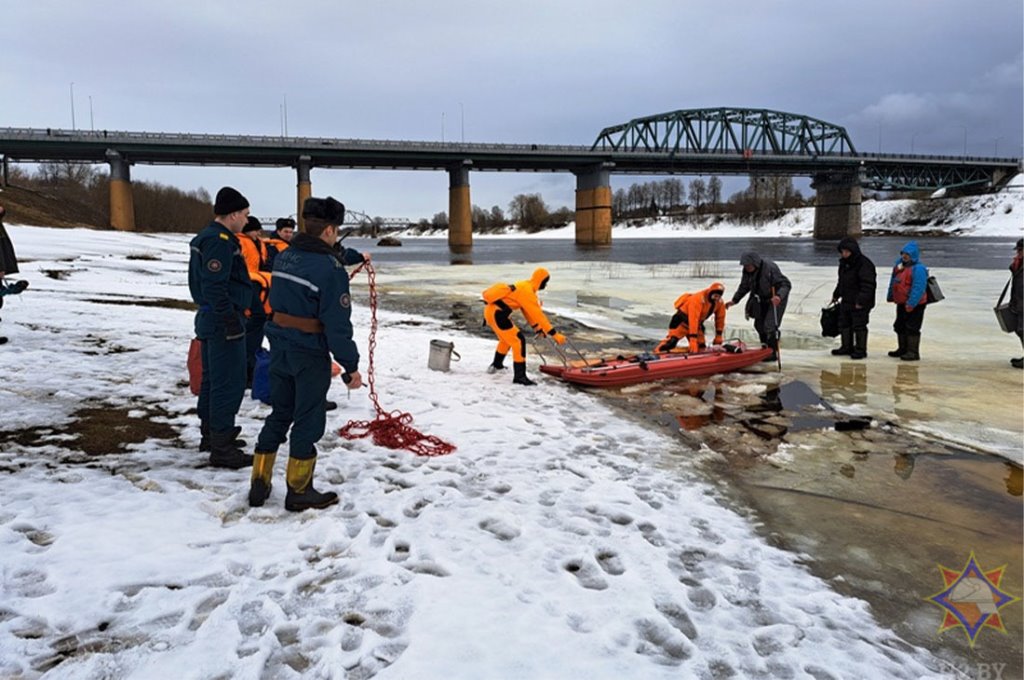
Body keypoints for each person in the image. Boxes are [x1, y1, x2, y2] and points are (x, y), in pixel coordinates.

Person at [249, 196, 369, 512]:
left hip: (279, 347)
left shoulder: (286, 256)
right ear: (330, 230)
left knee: (280, 411)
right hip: (308, 352)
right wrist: (352, 366)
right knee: (308, 418)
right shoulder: (331, 270)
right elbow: (337, 325)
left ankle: (258, 483)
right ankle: (299, 491)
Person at [188, 187, 254, 469]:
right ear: (234, 214)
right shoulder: (219, 241)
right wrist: (230, 320)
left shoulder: (208, 237)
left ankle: (212, 434)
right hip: (221, 320)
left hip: (211, 318)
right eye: (246, 215)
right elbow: (214, 285)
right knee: (228, 382)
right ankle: (222, 446)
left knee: (213, 380)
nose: (247, 221)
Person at [482, 267, 566, 386]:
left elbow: (528, 312)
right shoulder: (527, 292)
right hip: (498, 314)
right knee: (518, 341)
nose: (545, 286)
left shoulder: (525, 286)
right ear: (540, 281)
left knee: (506, 340)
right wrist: (554, 334)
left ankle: (496, 365)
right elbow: (538, 315)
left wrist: (537, 328)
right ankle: (520, 377)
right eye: (545, 283)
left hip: (492, 312)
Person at [725, 252, 791, 362]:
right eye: (745, 266)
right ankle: (765, 348)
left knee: (770, 326)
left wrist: (779, 296)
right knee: (759, 325)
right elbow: (744, 286)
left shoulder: (770, 268)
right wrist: (735, 300)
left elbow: (786, 284)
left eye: (748, 265)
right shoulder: (747, 271)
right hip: (760, 298)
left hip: (776, 298)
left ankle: (773, 352)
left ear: (755, 263)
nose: (746, 268)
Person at [239, 216, 273, 387]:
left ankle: (251, 371)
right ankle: (246, 375)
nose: (259, 233)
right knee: (248, 338)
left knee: (255, 336)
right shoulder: (239, 243)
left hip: (260, 293)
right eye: (255, 230)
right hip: (248, 292)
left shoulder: (260, 244)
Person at [829, 237, 877, 359]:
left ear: (853, 251)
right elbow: (842, 282)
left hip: (860, 302)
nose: (844, 254)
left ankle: (860, 350)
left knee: (859, 325)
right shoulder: (844, 264)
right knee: (844, 324)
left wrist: (861, 301)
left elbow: (868, 285)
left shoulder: (864, 264)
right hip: (846, 300)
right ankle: (846, 347)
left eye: (846, 251)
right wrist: (836, 294)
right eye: (842, 251)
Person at [885, 241, 928, 362]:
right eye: (903, 253)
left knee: (912, 327)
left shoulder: (918, 269)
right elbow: (893, 282)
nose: (904, 256)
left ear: (913, 255)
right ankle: (902, 349)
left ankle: (913, 352)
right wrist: (891, 296)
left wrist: (911, 303)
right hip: (901, 302)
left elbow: (918, 288)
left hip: (915, 305)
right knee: (900, 326)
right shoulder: (899, 267)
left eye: (907, 254)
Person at [654, 282, 726, 353]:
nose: (717, 298)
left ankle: (695, 360)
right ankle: (657, 354)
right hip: (681, 322)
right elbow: (693, 318)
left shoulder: (719, 302)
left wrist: (718, 335)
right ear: (710, 293)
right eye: (715, 296)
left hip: (697, 325)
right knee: (670, 343)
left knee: (701, 347)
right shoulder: (697, 299)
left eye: (719, 296)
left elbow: (720, 319)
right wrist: (693, 339)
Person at [1009, 238, 1023, 369]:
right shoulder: (1018, 264)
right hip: (1019, 302)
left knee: (1022, 330)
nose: (1018, 252)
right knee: (1020, 330)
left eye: (1020, 250)